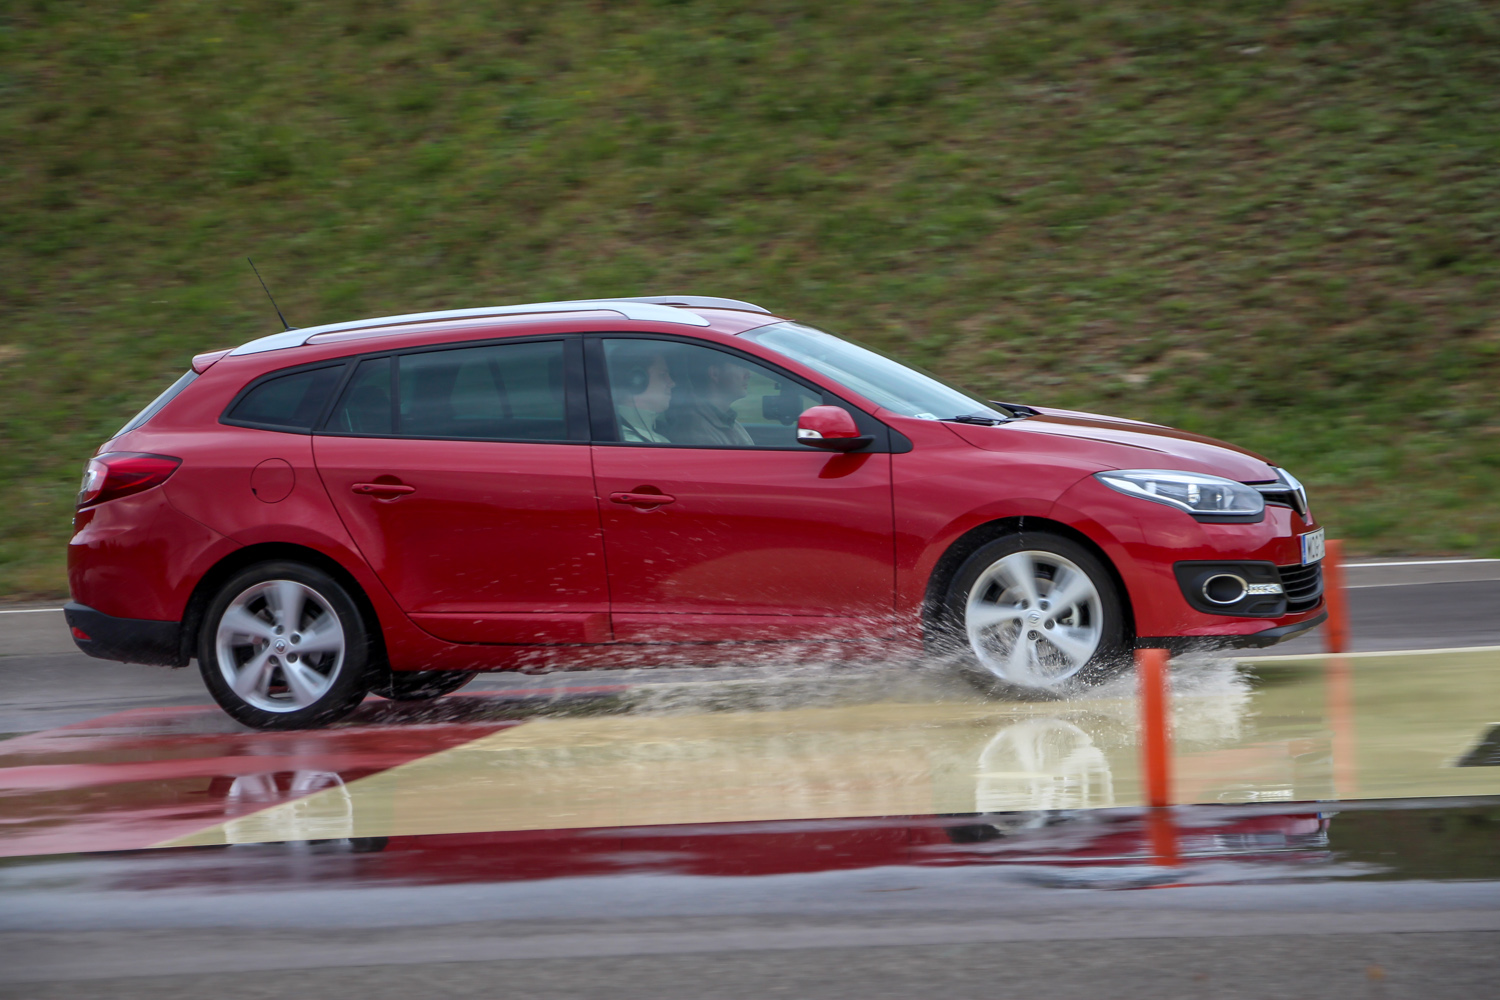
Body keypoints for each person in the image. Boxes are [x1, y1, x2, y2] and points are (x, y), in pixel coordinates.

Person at [661, 351, 755, 446]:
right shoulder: (697, 433)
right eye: (739, 366)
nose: (749, 374)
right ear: (715, 374)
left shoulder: (725, 419)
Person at [610, 346, 675, 443]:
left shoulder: (652, 433)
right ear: (636, 380)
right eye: (662, 375)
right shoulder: (630, 442)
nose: (672, 383)